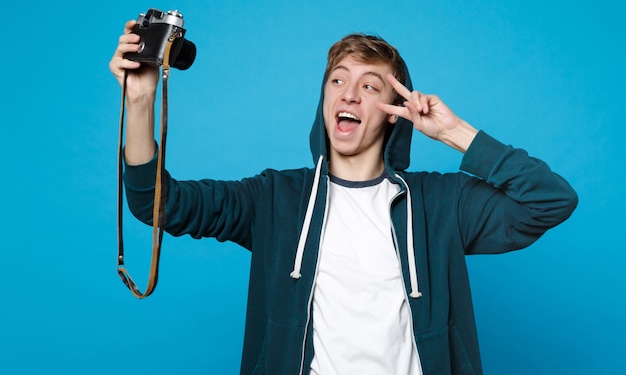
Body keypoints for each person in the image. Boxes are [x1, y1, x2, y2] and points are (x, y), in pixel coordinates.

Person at [110, 20, 578, 375]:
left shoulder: (440, 202)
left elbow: (551, 201)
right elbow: (157, 203)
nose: (349, 94)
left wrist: (453, 132)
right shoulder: (275, 198)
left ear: (394, 112)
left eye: (369, 86)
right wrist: (139, 102)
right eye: (338, 80)